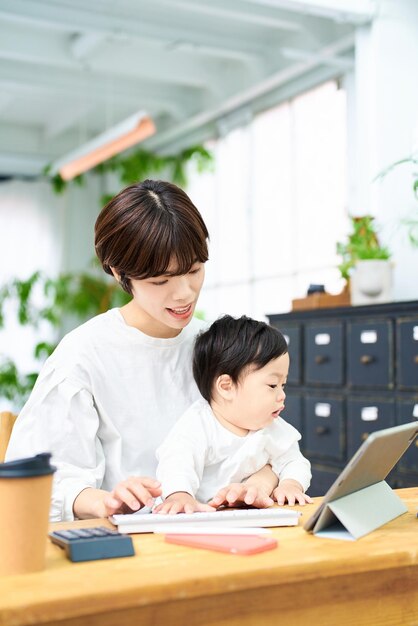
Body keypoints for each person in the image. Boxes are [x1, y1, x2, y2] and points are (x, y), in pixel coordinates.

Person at [6, 180, 277, 521]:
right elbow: (37, 483)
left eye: (194, 270)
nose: (184, 294)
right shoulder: (82, 356)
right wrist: (102, 501)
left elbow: (272, 445)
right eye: (160, 281)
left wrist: (260, 483)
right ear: (120, 274)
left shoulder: (219, 344)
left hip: (225, 531)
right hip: (133, 545)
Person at [154, 315, 313, 514]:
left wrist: (291, 484)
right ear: (226, 386)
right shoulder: (199, 425)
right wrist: (179, 495)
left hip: (249, 516)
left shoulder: (271, 426)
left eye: (283, 385)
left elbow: (294, 460)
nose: (282, 395)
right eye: (272, 385)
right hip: (204, 517)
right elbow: (176, 462)